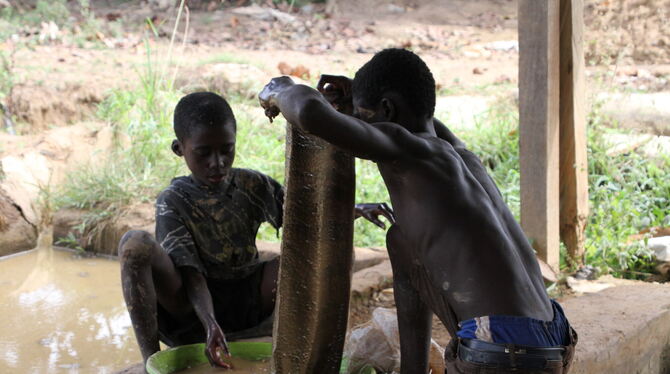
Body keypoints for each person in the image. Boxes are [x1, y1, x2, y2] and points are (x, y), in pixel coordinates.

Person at [259, 48, 577, 373]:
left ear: (387, 110)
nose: (357, 124)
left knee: (404, 240)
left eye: (364, 116)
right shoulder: (459, 154)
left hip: (501, 347)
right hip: (551, 335)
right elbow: (414, 113)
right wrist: (358, 94)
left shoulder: (410, 150)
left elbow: (311, 114)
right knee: (401, 240)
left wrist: (280, 87)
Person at [118, 91, 394, 370]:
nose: (218, 162)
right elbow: (191, 275)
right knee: (134, 243)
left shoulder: (252, 185)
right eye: (204, 153)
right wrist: (210, 323)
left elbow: (305, 216)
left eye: (226, 149)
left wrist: (353, 209)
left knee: (305, 255)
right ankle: (151, 362)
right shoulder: (174, 200)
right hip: (192, 309)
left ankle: (308, 346)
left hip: (246, 303)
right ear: (180, 149)